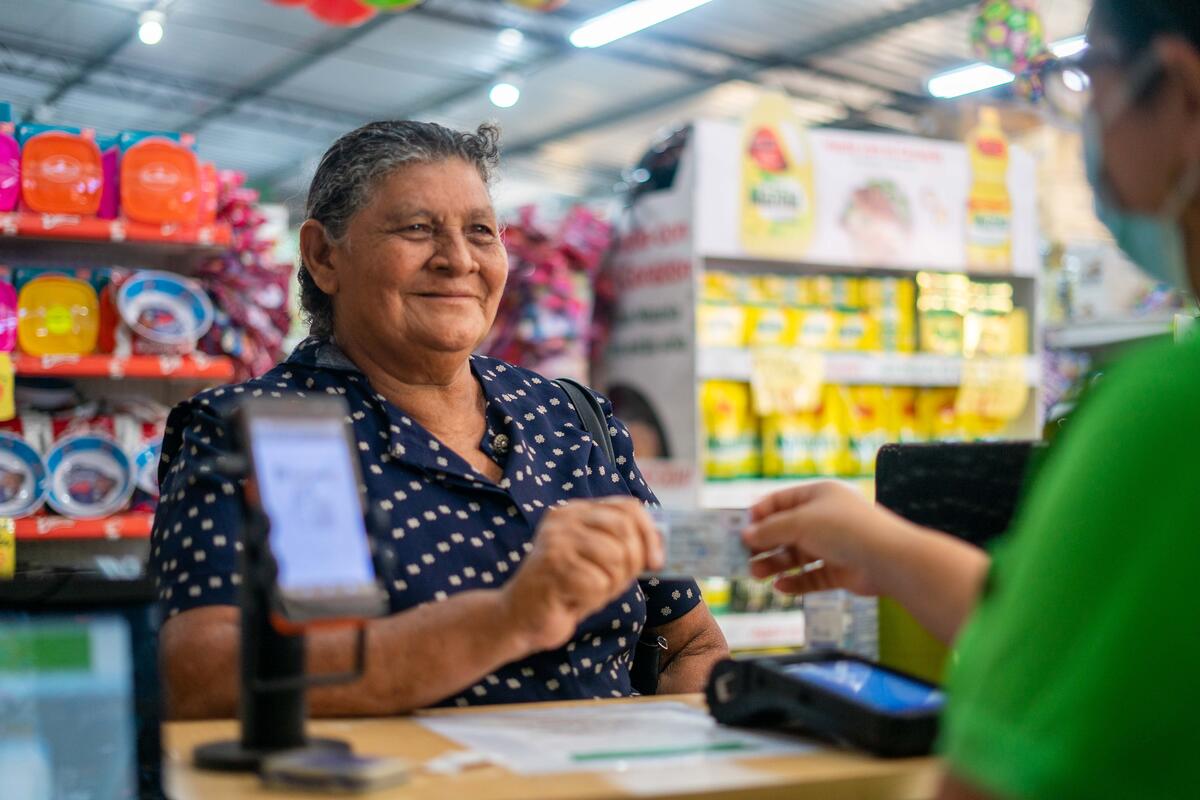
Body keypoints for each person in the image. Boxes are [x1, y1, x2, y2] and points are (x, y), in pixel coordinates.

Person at [743, 2, 1200, 797]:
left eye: (1090, 74)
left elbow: (990, 775)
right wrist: (885, 549)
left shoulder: (1165, 412)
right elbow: (1051, 635)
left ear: (1182, 92)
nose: (1083, 113)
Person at [152, 121, 728, 719]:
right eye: (418, 229)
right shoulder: (261, 433)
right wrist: (506, 619)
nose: (458, 260)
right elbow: (199, 677)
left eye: (480, 231)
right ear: (324, 257)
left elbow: (691, 643)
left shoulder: (570, 418)